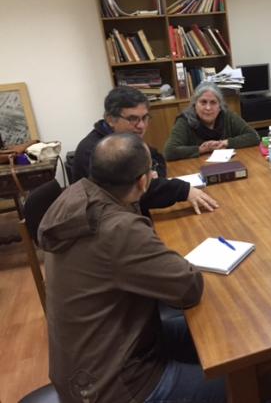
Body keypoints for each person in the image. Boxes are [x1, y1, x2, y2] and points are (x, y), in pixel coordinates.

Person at [39, 133, 226, 403]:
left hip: (86, 366)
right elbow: (188, 288)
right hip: (117, 385)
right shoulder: (118, 229)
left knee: (213, 331)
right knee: (244, 377)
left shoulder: (78, 194)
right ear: (143, 181)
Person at [73, 86, 218, 215]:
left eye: (144, 118)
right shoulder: (97, 151)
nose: (141, 126)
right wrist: (182, 190)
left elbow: (157, 157)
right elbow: (133, 194)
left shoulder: (123, 137)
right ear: (110, 119)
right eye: (132, 119)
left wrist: (152, 176)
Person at [164, 81, 260, 161]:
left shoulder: (227, 116)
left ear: (220, 106)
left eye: (213, 102)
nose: (208, 107)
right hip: (194, 168)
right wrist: (201, 149)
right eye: (203, 102)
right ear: (195, 104)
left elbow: (254, 137)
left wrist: (225, 143)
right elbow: (169, 152)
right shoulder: (184, 121)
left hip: (227, 165)